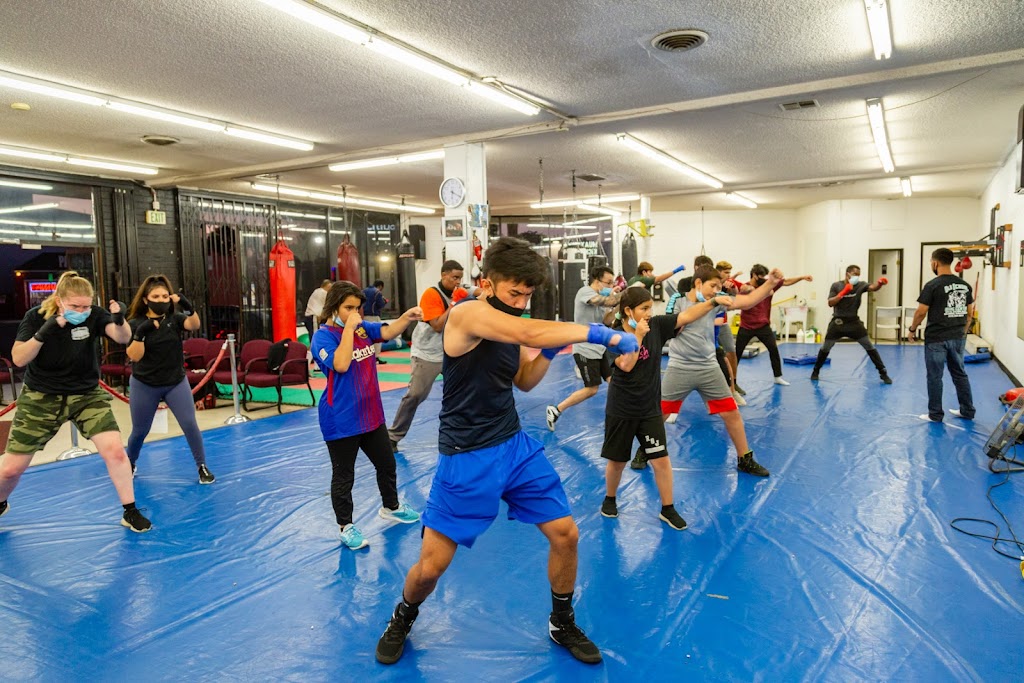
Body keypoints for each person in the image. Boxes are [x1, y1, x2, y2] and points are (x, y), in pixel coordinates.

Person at [375, 237, 639, 666]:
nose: (521, 302)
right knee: (431, 568)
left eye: (527, 295)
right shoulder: (467, 313)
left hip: (514, 446)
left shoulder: (509, 324)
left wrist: (549, 353)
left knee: (566, 534)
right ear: (487, 283)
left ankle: (562, 622)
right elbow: (527, 331)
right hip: (466, 455)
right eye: (514, 293)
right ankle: (403, 616)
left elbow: (525, 381)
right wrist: (601, 334)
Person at [0, 271, 151, 532]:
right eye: (74, 306)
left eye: (85, 306)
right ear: (59, 300)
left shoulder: (94, 315)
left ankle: (130, 510)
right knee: (11, 470)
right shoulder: (36, 317)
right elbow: (19, 358)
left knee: (115, 450)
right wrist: (44, 332)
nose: (81, 311)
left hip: (86, 394)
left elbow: (122, 337)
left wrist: (119, 319)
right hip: (41, 396)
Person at [600, 285, 734, 530]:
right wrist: (638, 336)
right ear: (628, 311)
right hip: (622, 408)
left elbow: (687, 316)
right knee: (617, 462)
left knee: (661, 460)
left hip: (650, 408)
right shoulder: (614, 336)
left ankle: (667, 508)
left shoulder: (657, 325)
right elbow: (627, 365)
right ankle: (610, 499)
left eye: (650, 308)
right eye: (644, 308)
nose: (649, 313)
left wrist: (713, 302)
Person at [634, 265, 782, 477]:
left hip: (708, 366)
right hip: (680, 366)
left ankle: (745, 459)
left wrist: (770, 283)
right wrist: (711, 303)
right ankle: (645, 450)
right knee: (661, 413)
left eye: (718, 287)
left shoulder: (717, 299)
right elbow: (676, 326)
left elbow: (748, 301)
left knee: (731, 412)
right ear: (698, 283)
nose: (716, 290)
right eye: (712, 286)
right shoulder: (678, 300)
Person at [311, 281, 423, 550]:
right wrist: (349, 329)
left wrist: (406, 317)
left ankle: (391, 506)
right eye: (348, 308)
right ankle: (345, 526)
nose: (355, 313)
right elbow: (341, 364)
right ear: (334, 307)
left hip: (370, 413)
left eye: (357, 308)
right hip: (341, 418)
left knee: (387, 463)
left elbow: (386, 332)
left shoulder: (362, 328)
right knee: (343, 476)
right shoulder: (322, 337)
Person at [124, 275, 213, 484]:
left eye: (165, 296)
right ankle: (130, 462)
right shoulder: (135, 323)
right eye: (156, 296)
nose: (161, 300)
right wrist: (141, 334)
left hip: (175, 382)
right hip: (145, 383)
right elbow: (134, 356)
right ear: (145, 299)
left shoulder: (174, 319)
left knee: (189, 423)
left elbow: (194, 324)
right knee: (140, 430)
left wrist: (188, 306)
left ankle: (202, 466)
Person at [387, 260, 469, 452]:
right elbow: (438, 325)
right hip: (427, 354)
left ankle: (463, 434)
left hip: (452, 352)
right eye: (454, 277)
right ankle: (392, 436)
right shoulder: (431, 294)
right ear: (443, 275)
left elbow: (481, 293)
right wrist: (455, 303)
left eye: (460, 278)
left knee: (465, 391)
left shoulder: (461, 289)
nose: (458, 282)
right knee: (416, 395)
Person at [546, 265, 623, 431]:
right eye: (608, 282)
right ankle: (556, 409)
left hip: (599, 348)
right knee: (592, 389)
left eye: (612, 283)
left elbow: (606, 320)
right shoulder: (585, 292)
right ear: (597, 281)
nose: (611, 286)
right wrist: (625, 295)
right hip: (585, 350)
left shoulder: (603, 298)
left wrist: (619, 306)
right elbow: (603, 301)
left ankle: (623, 412)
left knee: (614, 381)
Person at [908, 248, 975, 422]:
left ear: (935, 262)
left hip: (936, 338)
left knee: (935, 377)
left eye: (931, 262)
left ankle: (935, 414)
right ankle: (967, 410)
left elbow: (921, 312)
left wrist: (912, 329)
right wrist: (962, 332)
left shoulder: (932, 285)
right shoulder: (964, 285)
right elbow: (969, 313)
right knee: (959, 374)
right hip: (957, 336)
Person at [810, 266, 893, 384]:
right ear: (847, 274)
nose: (856, 277)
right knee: (826, 347)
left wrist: (880, 283)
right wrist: (843, 292)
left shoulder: (860, 285)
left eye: (858, 275)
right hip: (838, 322)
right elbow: (830, 303)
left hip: (854, 322)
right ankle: (816, 371)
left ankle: (883, 372)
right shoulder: (836, 285)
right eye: (854, 274)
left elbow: (873, 287)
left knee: (869, 346)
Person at [734, 264, 813, 386]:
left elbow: (785, 281)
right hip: (746, 326)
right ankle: (732, 381)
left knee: (773, 350)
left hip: (763, 326)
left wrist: (802, 277)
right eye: (761, 276)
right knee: (736, 354)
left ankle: (778, 377)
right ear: (754, 275)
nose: (764, 279)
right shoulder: (744, 288)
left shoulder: (768, 285)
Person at [362, 279, 388, 364]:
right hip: (373, 316)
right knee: (377, 336)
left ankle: (366, 357)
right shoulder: (377, 292)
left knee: (365, 337)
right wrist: (385, 301)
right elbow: (380, 304)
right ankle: (376, 357)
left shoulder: (363, 291)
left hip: (364, 317)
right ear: (380, 286)